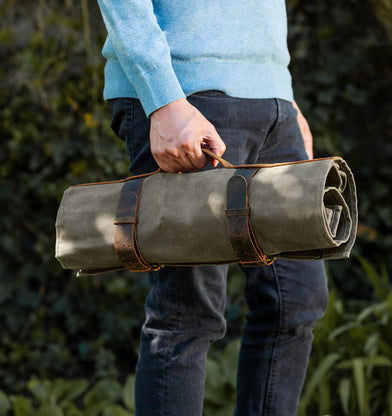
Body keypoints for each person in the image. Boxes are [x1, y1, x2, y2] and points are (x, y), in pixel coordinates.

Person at [96, 1, 328, 415]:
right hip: (187, 95)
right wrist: (163, 98)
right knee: (189, 314)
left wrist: (282, 93)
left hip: (270, 99)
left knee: (295, 302)